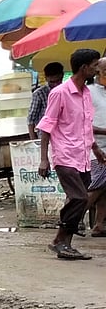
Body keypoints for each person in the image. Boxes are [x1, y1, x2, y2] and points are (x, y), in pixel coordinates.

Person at [38, 48, 106, 261]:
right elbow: (47, 126)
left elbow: (85, 126)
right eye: (95, 65)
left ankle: (64, 242)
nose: (97, 70)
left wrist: (96, 150)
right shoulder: (59, 93)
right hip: (65, 155)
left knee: (77, 198)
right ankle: (60, 240)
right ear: (84, 67)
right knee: (79, 198)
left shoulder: (86, 93)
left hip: (83, 156)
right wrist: (43, 159)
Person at [86, 58, 106, 237]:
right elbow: (83, 123)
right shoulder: (90, 92)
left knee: (104, 187)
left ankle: (99, 224)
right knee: (97, 186)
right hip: (96, 148)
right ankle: (73, 218)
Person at [29, 62, 66, 140]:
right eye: (52, 82)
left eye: (58, 81)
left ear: (62, 76)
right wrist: (34, 141)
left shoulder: (67, 92)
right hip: (46, 137)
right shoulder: (39, 94)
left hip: (64, 136)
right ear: (46, 78)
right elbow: (31, 119)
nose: (55, 85)